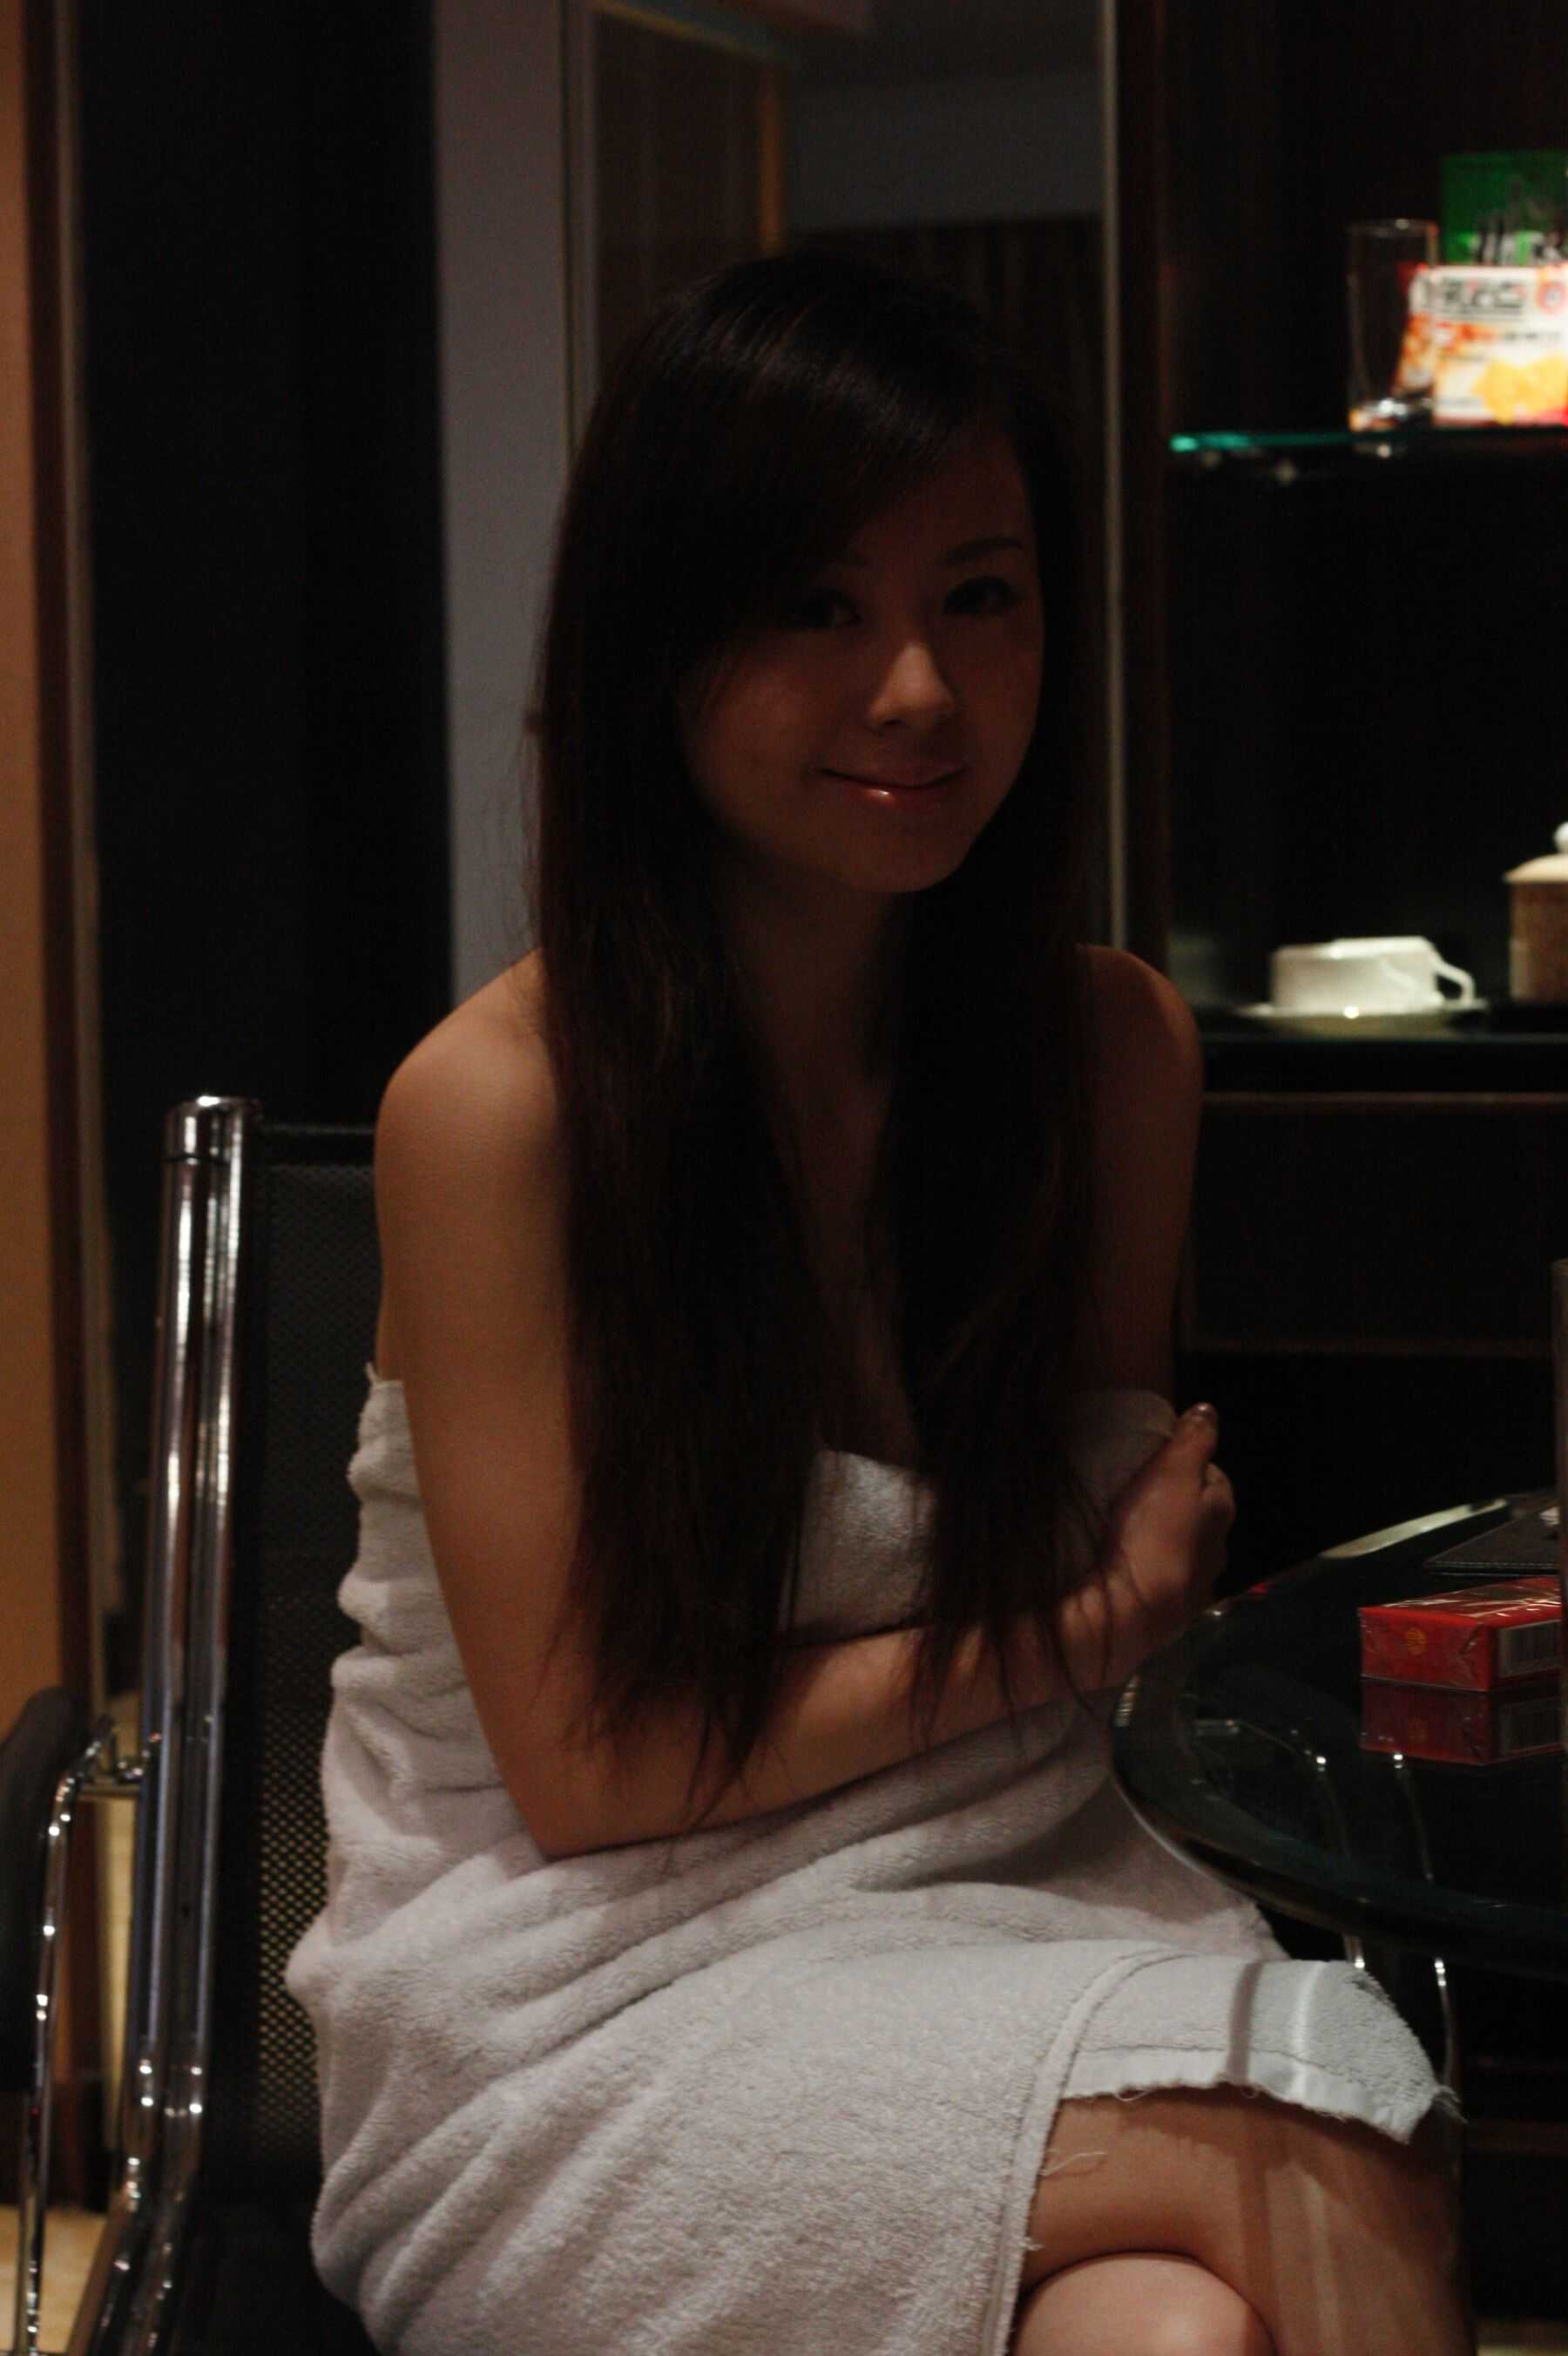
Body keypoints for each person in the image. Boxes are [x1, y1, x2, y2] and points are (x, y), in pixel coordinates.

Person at [287, 252, 1470, 2356]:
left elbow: (1081, 1656)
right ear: (662, 640)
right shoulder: (503, 1111)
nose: (918, 688)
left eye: (979, 596)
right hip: (579, 1996)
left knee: (1176, 2333)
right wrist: (1084, 1622)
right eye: (818, 606)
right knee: (1323, 2141)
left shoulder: (1107, 1059)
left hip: (1016, 1900)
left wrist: (1098, 1624)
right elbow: (597, 1770)